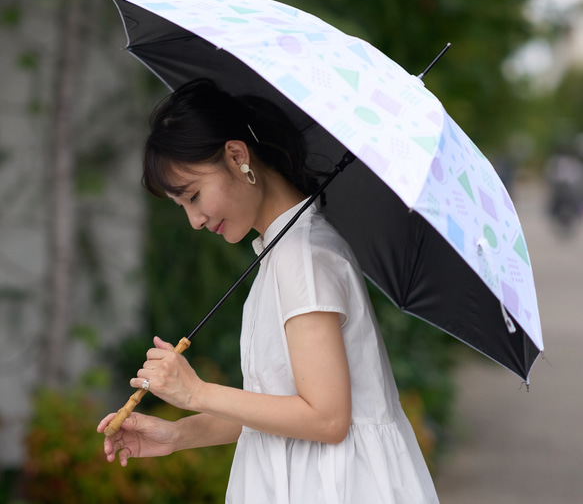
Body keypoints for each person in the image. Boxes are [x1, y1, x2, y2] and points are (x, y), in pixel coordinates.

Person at [97, 79, 440, 503]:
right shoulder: (284, 253)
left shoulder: (303, 258)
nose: (195, 220)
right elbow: (277, 408)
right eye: (182, 206)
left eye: (194, 196)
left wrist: (196, 392)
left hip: (334, 486)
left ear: (237, 156)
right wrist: (176, 435)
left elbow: (327, 419)